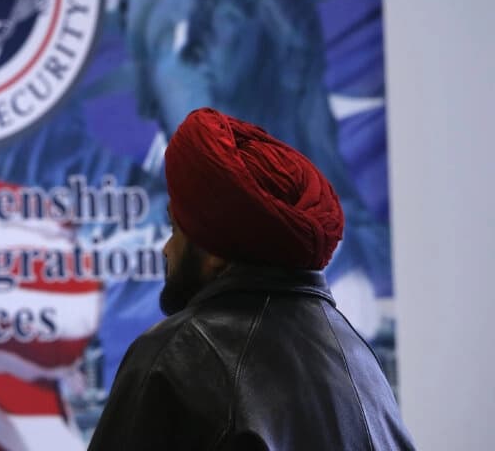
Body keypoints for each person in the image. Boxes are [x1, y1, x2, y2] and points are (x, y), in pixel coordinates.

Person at [87, 108, 414, 450]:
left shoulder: (175, 355)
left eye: (176, 230)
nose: (167, 249)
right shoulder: (362, 362)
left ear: (215, 249)